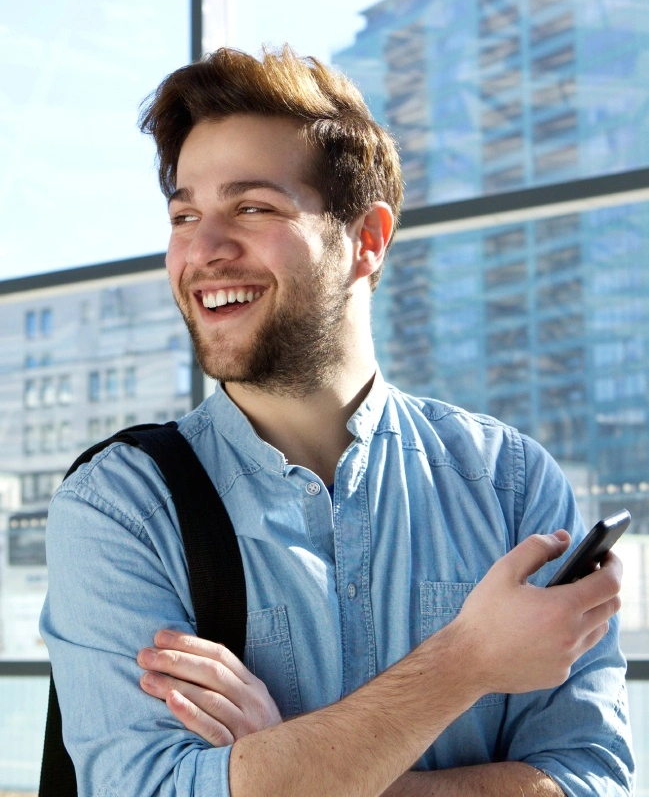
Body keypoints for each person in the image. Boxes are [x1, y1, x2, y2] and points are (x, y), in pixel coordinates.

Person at [40, 46, 634, 797]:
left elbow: (591, 780)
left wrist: (286, 765)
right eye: (184, 214)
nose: (203, 249)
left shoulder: (509, 484)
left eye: (252, 207)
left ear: (368, 240)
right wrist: (466, 661)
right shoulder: (120, 506)